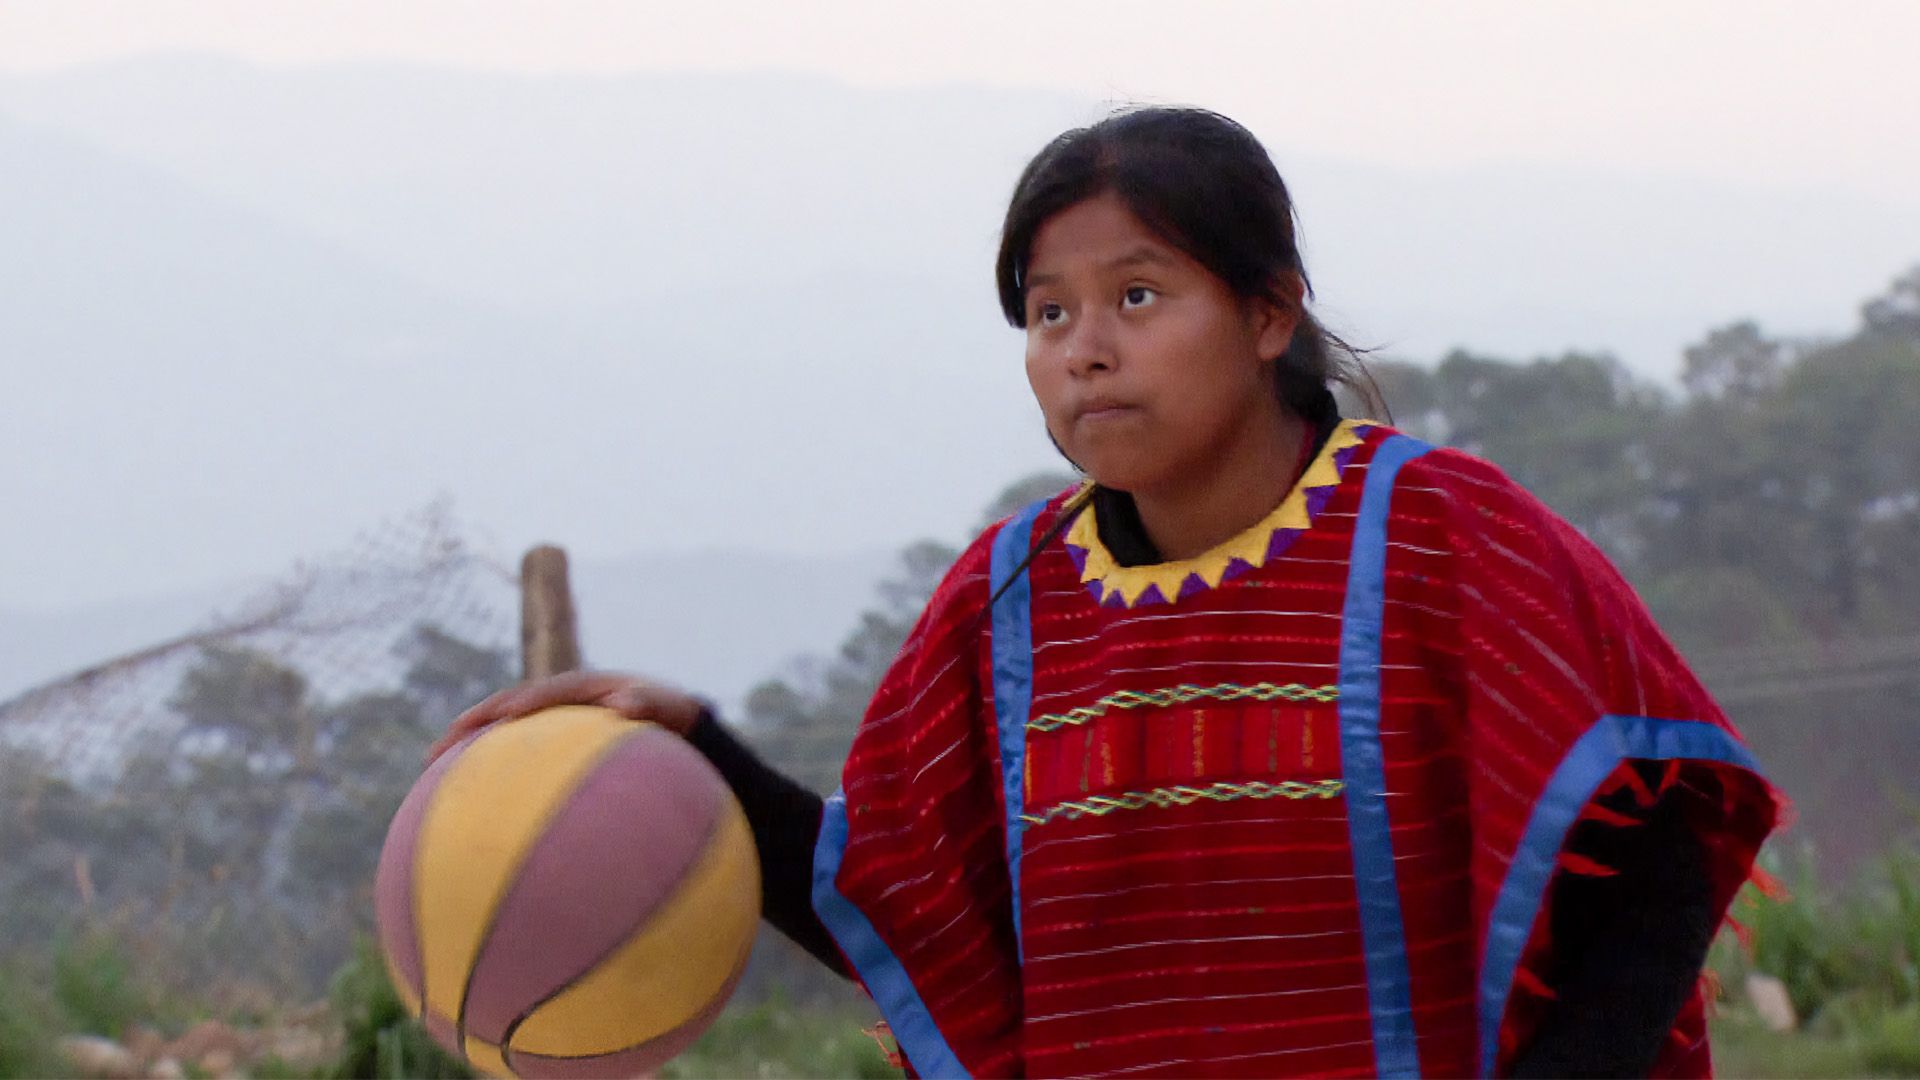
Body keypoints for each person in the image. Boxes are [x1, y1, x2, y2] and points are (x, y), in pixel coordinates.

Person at [434, 107, 1780, 1078]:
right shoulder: (1004, 603)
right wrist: (691, 755)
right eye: (1048, 312)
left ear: (1266, 314)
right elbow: (896, 901)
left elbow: (1664, 826)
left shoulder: (1440, 538)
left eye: (1139, 295)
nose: (1086, 351)